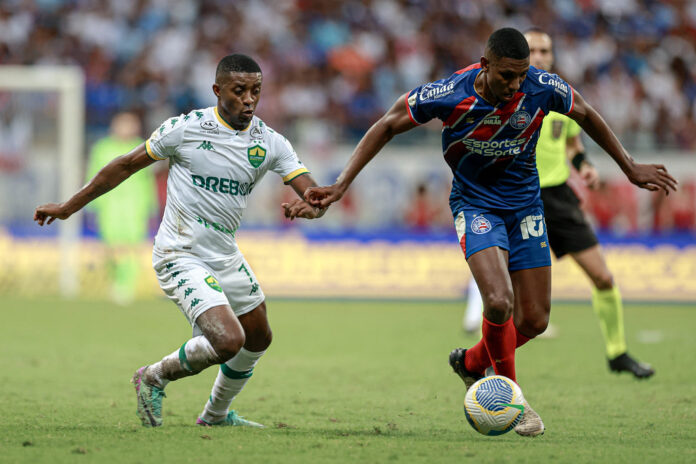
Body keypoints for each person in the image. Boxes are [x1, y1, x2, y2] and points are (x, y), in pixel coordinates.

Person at [305, 28, 676, 437]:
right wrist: (340, 184)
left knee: (533, 320)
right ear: (484, 66)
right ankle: (512, 398)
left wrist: (629, 166)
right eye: (506, 76)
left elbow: (585, 113)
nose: (515, 85)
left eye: (521, 75)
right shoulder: (449, 92)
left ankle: (470, 364)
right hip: (476, 205)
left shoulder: (540, 87)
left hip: (526, 207)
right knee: (499, 302)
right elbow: (389, 123)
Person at [34, 54, 326, 428]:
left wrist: (312, 206)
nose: (250, 99)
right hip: (179, 252)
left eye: (256, 91)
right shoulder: (186, 129)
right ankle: (153, 376)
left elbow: (311, 192)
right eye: (239, 91)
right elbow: (123, 166)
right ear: (217, 91)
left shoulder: (270, 142)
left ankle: (216, 415)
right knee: (228, 341)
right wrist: (68, 207)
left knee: (259, 336)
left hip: (224, 253)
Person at [462, 29, 654, 378]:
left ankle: (617, 352)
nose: (537, 54)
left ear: (551, 56)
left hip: (556, 196)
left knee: (602, 276)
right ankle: (487, 364)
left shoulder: (558, 97)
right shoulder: (502, 96)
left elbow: (573, 146)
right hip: (511, 197)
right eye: (531, 48)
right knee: (501, 296)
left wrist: (586, 167)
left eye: (543, 49)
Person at [86, 111, 157, 304]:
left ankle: (126, 287)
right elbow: (93, 177)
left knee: (131, 248)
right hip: (110, 204)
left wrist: (152, 207)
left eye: (130, 124)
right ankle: (114, 281)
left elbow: (148, 180)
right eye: (122, 124)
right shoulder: (102, 148)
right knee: (111, 247)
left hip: (135, 205)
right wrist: (91, 204)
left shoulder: (143, 148)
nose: (126, 128)